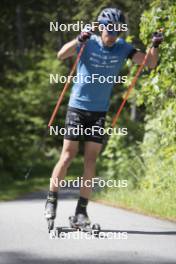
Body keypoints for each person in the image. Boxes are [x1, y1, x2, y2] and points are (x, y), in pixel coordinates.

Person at [44, 8, 163, 227]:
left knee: (91, 160)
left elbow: (150, 63)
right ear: (101, 27)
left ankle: (81, 213)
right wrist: (79, 38)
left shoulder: (122, 48)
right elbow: (61, 54)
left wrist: (154, 45)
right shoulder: (88, 42)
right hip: (77, 108)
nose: (112, 35)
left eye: (117, 31)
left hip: (99, 112)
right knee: (68, 156)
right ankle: (52, 199)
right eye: (109, 30)